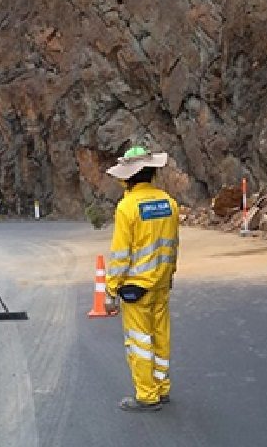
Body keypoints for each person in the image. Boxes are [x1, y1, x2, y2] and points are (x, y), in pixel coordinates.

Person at [105, 146, 180, 412]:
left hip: (136, 287)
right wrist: (168, 275)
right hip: (161, 283)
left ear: (127, 177)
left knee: (139, 341)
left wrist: (110, 290)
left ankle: (147, 395)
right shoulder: (168, 203)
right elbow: (172, 246)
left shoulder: (127, 207)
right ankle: (162, 388)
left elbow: (121, 254)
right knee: (161, 336)